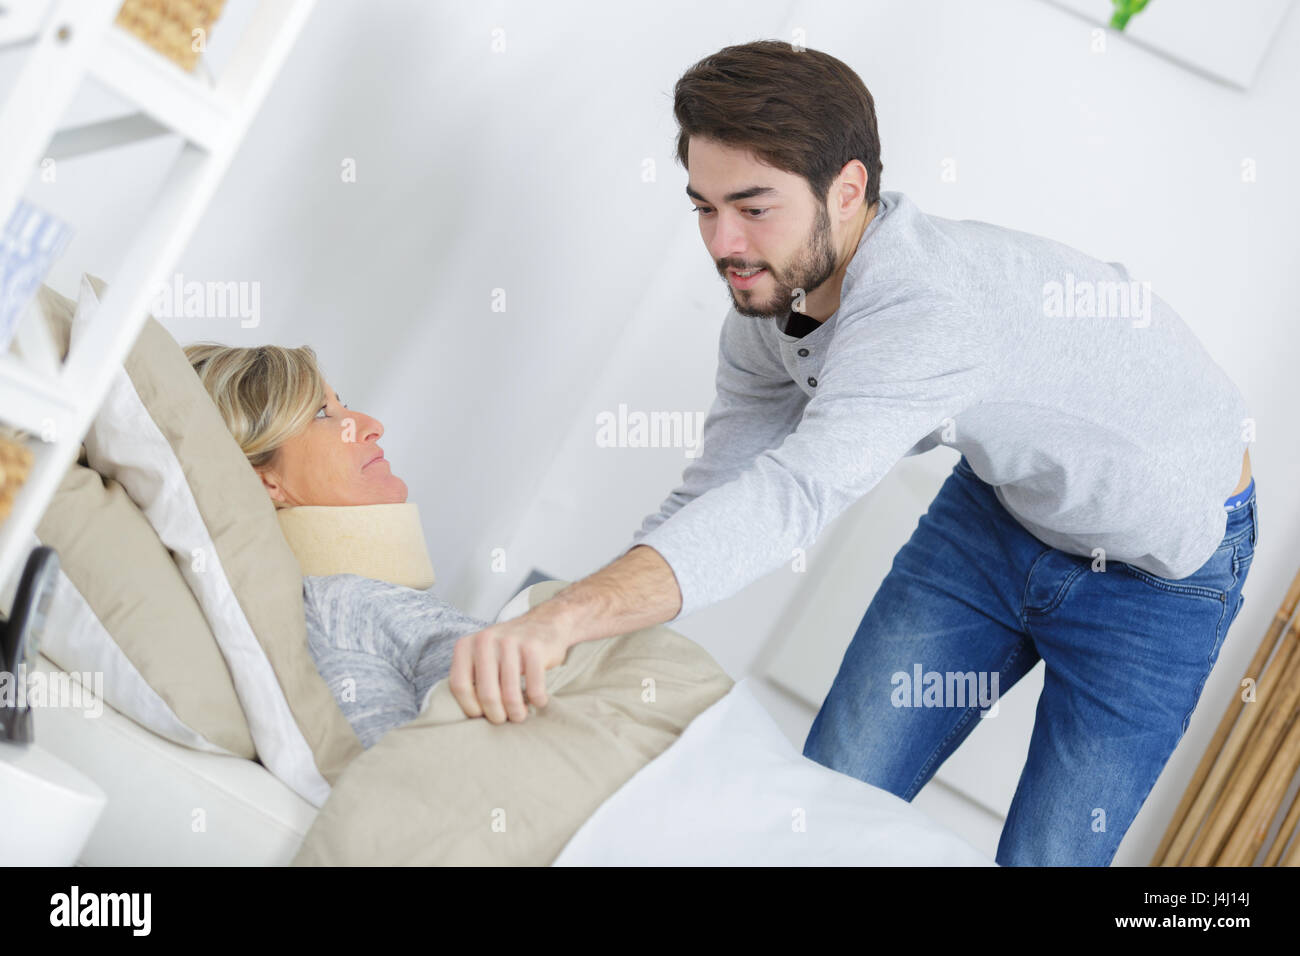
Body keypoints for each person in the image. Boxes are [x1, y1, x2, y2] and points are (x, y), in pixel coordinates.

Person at [451, 39, 1259, 867]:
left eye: (754, 206)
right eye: (703, 205)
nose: (722, 242)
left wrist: (569, 616)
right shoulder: (765, 314)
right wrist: (565, 622)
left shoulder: (926, 311)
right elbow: (721, 491)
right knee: (830, 797)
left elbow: (793, 498)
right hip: (1001, 513)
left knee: (1051, 857)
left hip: (1161, 575)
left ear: (848, 190)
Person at [184, 343, 494, 749]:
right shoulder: (340, 615)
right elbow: (405, 776)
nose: (371, 425)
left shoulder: (370, 603)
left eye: (340, 406)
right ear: (264, 480)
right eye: (321, 413)